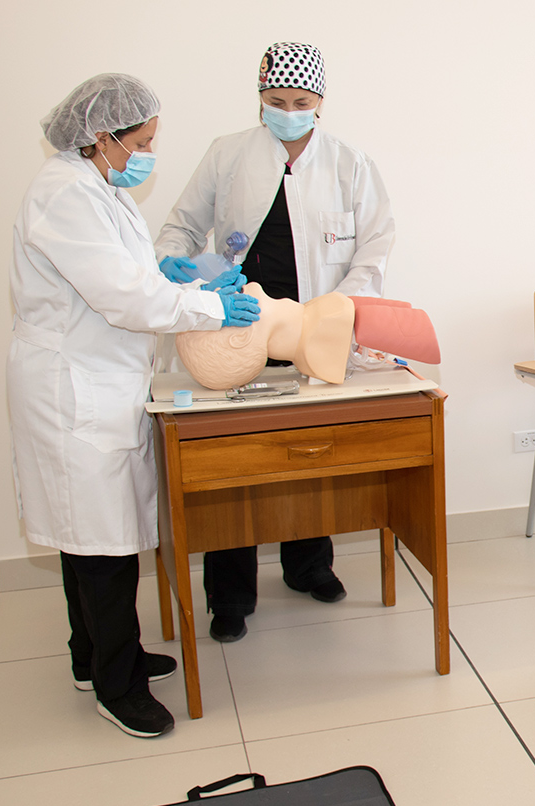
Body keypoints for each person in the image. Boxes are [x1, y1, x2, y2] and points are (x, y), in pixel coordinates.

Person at [8, 73, 261, 738]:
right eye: (142, 142)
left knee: (88, 534)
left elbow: (128, 273)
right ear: (102, 137)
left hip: (99, 377)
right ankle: (117, 687)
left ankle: (92, 658)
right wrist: (209, 305)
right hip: (74, 387)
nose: (148, 153)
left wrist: (169, 272)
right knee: (101, 540)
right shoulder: (65, 194)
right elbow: (121, 296)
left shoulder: (95, 188)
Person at [155, 42, 397, 644]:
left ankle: (309, 567)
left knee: (311, 451)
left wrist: (340, 306)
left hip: (315, 329)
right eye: (275, 101)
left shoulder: (349, 162)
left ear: (320, 103)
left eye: (300, 102)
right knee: (234, 462)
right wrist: (172, 262)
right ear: (259, 99)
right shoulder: (227, 154)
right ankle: (230, 597)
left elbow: (377, 241)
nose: (287, 111)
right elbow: (182, 224)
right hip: (240, 324)